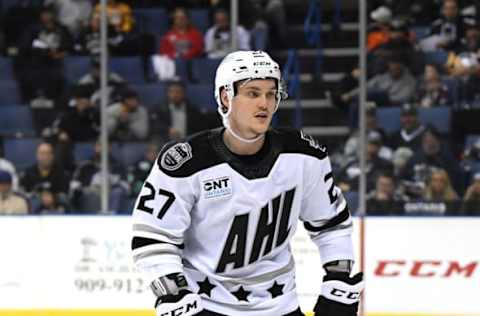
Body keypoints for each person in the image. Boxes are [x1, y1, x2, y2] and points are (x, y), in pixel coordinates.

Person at [131, 51, 363, 316]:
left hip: (280, 306)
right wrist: (174, 292)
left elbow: (331, 223)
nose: (264, 103)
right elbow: (153, 236)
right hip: (205, 305)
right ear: (225, 97)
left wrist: (339, 278)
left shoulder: (304, 155)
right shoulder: (187, 162)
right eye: (253, 93)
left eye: (271, 93)